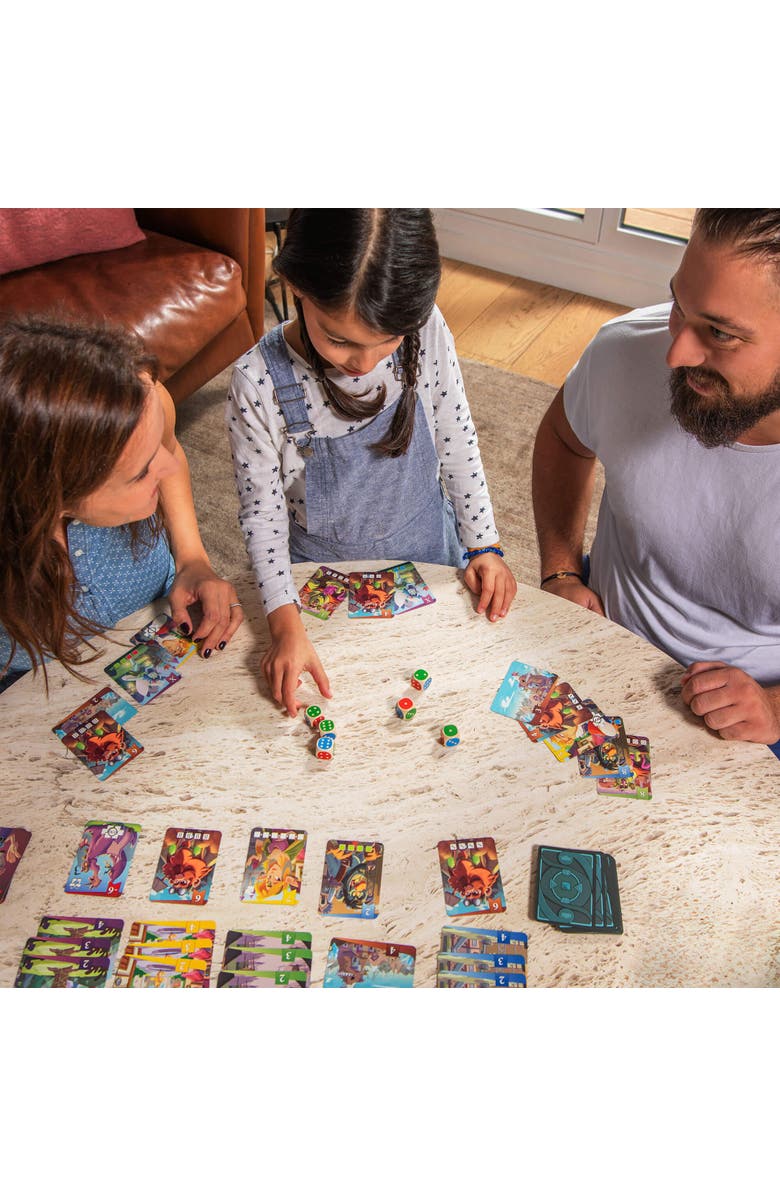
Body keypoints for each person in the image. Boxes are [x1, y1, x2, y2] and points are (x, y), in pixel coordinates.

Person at [227, 208, 517, 716]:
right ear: (294, 285)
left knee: (446, 688)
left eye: (388, 340)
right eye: (339, 339)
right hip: (322, 581)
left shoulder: (424, 326)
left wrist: (484, 544)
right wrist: (285, 624)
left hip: (428, 548)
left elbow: (456, 436)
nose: (364, 362)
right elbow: (262, 515)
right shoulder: (257, 382)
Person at [532, 208, 780, 746]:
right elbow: (564, 439)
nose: (676, 354)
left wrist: (773, 708)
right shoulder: (623, 351)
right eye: (678, 305)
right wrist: (560, 572)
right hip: (598, 634)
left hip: (754, 710)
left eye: (721, 333)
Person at [0, 315, 243, 693]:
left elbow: (171, 451)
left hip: (160, 608)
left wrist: (192, 560)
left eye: (157, 446)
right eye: (141, 471)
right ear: (51, 498)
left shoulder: (143, 393)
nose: (167, 467)